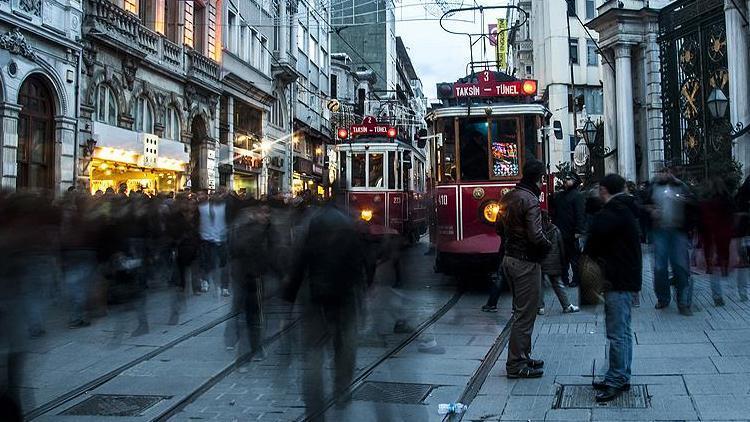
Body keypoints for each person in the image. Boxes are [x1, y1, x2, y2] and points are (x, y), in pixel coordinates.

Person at [285, 191, 367, 419]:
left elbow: (299, 260)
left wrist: (290, 294)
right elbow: (360, 263)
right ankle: (341, 391)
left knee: (312, 354)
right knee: (346, 349)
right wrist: (361, 297)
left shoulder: (311, 223)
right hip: (344, 298)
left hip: (314, 297)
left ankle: (314, 407)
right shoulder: (349, 224)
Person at [584, 174, 642, 403]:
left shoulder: (612, 213)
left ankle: (616, 379)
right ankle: (620, 374)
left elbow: (593, 243)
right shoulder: (626, 208)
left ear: (603, 189)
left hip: (617, 279)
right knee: (623, 331)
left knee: (617, 332)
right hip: (626, 278)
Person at [496, 159, 551, 378]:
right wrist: (548, 246)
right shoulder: (530, 200)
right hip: (526, 262)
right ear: (538, 178)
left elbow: (498, 227)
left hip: (509, 258)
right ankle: (516, 364)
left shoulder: (509, 196)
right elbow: (536, 235)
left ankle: (523, 356)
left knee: (522, 311)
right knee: (525, 314)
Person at [645, 165, 696, 316]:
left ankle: (683, 301)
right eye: (660, 171)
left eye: (665, 171)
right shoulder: (652, 187)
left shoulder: (681, 186)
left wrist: (684, 203)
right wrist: (651, 211)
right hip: (659, 231)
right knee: (660, 267)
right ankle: (663, 297)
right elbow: (643, 204)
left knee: (680, 266)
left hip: (678, 231)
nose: (662, 174)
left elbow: (693, 203)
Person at [538, 211, 580, 315]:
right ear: (549, 219)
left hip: (540, 262)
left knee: (539, 285)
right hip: (554, 262)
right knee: (558, 284)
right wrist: (563, 262)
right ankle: (566, 305)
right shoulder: (555, 230)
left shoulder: (537, 231)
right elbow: (561, 247)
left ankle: (540, 307)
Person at [552, 173, 586, 287]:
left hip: (572, 232)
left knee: (574, 258)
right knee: (563, 258)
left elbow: (580, 215)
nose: (566, 181)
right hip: (561, 231)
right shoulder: (559, 196)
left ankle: (576, 279)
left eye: (569, 179)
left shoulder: (577, 196)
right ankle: (564, 278)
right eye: (565, 179)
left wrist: (578, 231)